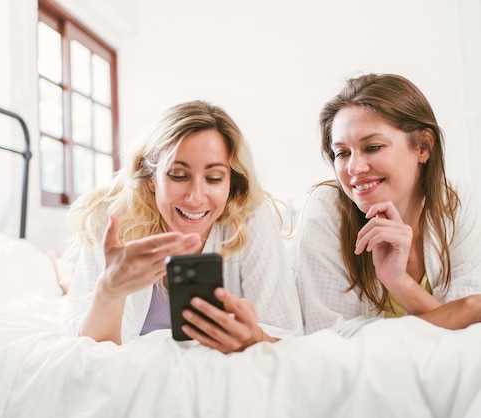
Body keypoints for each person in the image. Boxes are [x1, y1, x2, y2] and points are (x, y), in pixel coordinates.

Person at [61, 100, 303, 353]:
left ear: (231, 182)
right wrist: (110, 292)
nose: (196, 197)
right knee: (66, 278)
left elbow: (288, 339)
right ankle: (60, 269)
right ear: (150, 177)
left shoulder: (251, 219)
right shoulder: (112, 219)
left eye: (214, 178)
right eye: (178, 175)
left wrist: (254, 338)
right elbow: (87, 350)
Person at [290, 73, 481, 336]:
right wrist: (460, 312)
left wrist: (399, 281)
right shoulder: (325, 210)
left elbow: (470, 335)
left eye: (373, 147)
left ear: (423, 146)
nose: (354, 168)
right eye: (342, 153)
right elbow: (331, 341)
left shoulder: (458, 202)